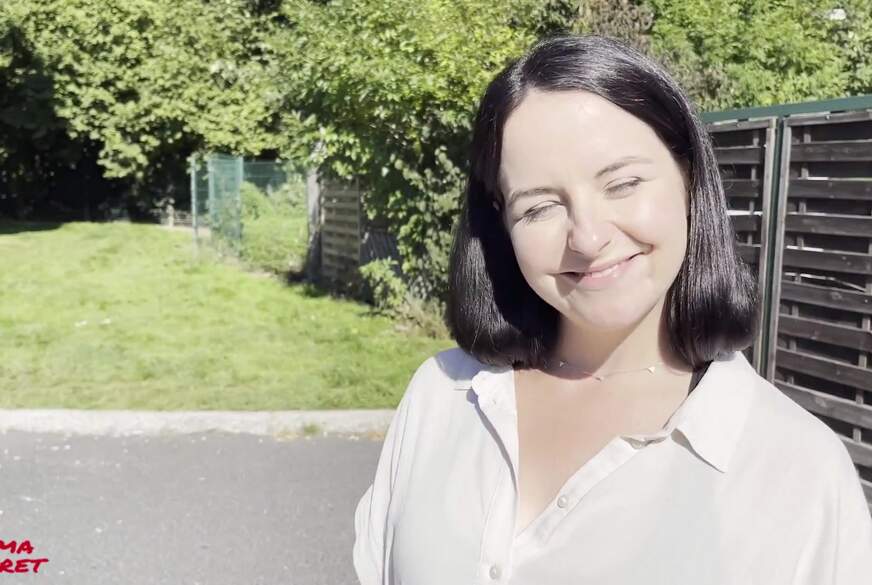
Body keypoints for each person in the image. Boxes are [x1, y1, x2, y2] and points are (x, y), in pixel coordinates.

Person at [352, 34, 872, 584]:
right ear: (502, 224)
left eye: (622, 184)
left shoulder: (798, 471)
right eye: (540, 207)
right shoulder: (441, 398)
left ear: (689, 177)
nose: (588, 237)